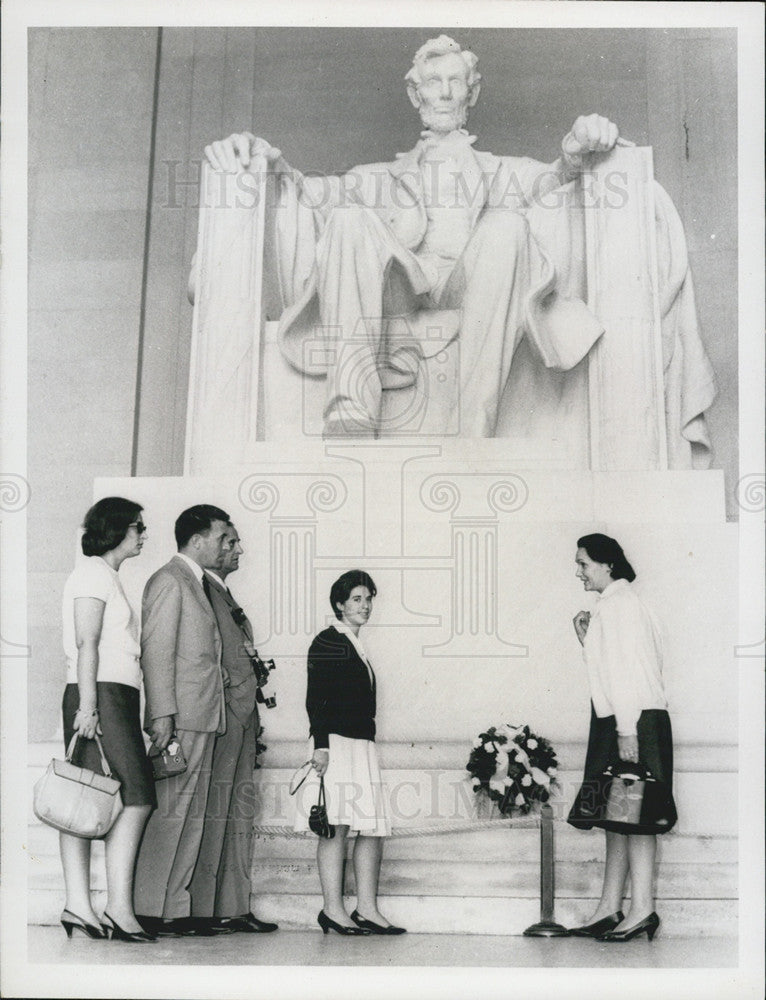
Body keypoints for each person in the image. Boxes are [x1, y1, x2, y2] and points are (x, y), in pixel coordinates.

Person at [201, 34, 619, 438]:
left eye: (455, 82)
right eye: (433, 83)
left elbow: (558, 182)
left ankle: (473, 426)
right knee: (347, 217)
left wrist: (577, 146)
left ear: (470, 95)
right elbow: (301, 192)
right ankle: (352, 403)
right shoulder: (375, 178)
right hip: (403, 288)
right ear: (415, 94)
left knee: (507, 226)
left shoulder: (505, 171)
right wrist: (259, 155)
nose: (443, 93)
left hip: (475, 288)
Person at [567, 533, 677, 942]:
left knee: (637, 817)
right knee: (617, 816)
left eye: (584, 564)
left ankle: (643, 909)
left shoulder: (621, 607)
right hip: (621, 718)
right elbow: (614, 666)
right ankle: (608, 908)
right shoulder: (616, 605)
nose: (578, 572)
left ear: (607, 564)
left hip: (631, 721)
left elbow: (630, 673)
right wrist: (587, 639)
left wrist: (627, 729)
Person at [59, 497, 156, 943]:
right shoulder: (91, 573)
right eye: (138, 527)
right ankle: (105, 907)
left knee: (91, 798)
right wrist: (88, 707)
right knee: (122, 796)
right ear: (116, 529)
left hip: (112, 695)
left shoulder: (108, 577)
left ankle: (87, 907)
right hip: (98, 695)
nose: (143, 535)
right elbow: (87, 642)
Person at [133, 505, 231, 937]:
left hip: (203, 714)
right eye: (222, 536)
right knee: (171, 813)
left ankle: (175, 908)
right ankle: (150, 907)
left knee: (191, 818)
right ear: (197, 539)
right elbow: (156, 651)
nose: (228, 544)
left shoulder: (194, 583)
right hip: (181, 718)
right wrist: (162, 715)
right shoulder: (170, 580)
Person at [295, 570, 404, 935]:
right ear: (339, 604)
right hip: (336, 746)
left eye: (368, 598)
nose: (365, 605)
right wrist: (321, 747)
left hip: (360, 745)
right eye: (356, 599)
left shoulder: (355, 643)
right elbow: (316, 700)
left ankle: (367, 909)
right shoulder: (328, 641)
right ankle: (332, 909)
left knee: (371, 827)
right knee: (336, 827)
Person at [188, 522, 279, 933]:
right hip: (224, 716)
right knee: (217, 812)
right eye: (229, 540)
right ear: (200, 540)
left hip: (242, 717)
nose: (238, 548)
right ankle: (207, 909)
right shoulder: (198, 589)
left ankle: (232, 906)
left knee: (237, 814)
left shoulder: (220, 592)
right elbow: (200, 656)